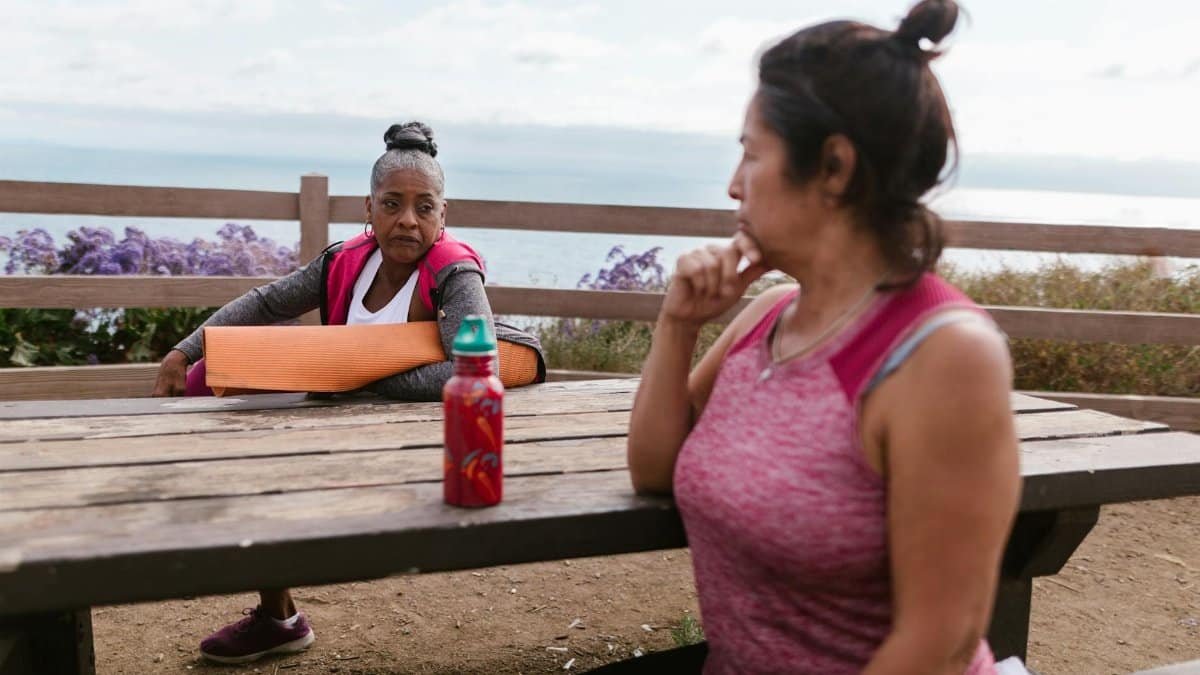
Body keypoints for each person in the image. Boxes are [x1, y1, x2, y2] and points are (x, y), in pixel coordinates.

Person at [626, 1, 1021, 673]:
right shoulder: (770, 317)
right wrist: (679, 324)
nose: (732, 185)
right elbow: (655, 468)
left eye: (751, 154)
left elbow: (942, 641)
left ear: (834, 167)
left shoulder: (944, 356)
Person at [152, 121, 544, 664]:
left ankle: (278, 615)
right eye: (392, 204)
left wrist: (355, 377)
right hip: (341, 423)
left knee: (273, 470)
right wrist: (184, 351)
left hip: (424, 438)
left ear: (442, 215)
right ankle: (280, 618)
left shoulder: (453, 273)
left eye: (424, 207)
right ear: (369, 208)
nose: (408, 219)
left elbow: (472, 369)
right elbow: (267, 302)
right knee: (224, 417)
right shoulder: (345, 262)